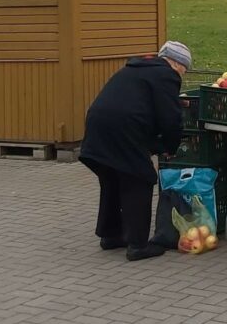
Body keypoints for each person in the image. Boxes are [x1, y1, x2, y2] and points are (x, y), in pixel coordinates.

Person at [79, 41, 191, 261]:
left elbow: (138, 103)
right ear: (176, 63)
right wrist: (170, 146)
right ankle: (138, 245)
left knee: (112, 179)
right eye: (184, 69)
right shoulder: (166, 75)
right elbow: (169, 119)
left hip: (98, 128)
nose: (182, 75)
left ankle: (111, 235)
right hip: (122, 131)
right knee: (139, 180)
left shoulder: (136, 69)